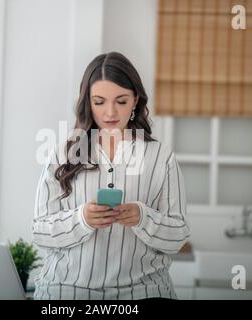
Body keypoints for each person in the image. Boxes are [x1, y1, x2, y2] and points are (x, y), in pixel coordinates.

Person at [32, 52, 190, 300]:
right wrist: (82, 218)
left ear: (135, 100)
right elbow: (40, 232)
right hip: (66, 293)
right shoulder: (63, 153)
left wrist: (143, 217)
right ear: (88, 102)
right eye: (99, 102)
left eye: (121, 101)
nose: (110, 112)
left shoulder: (161, 157)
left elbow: (178, 237)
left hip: (143, 293)